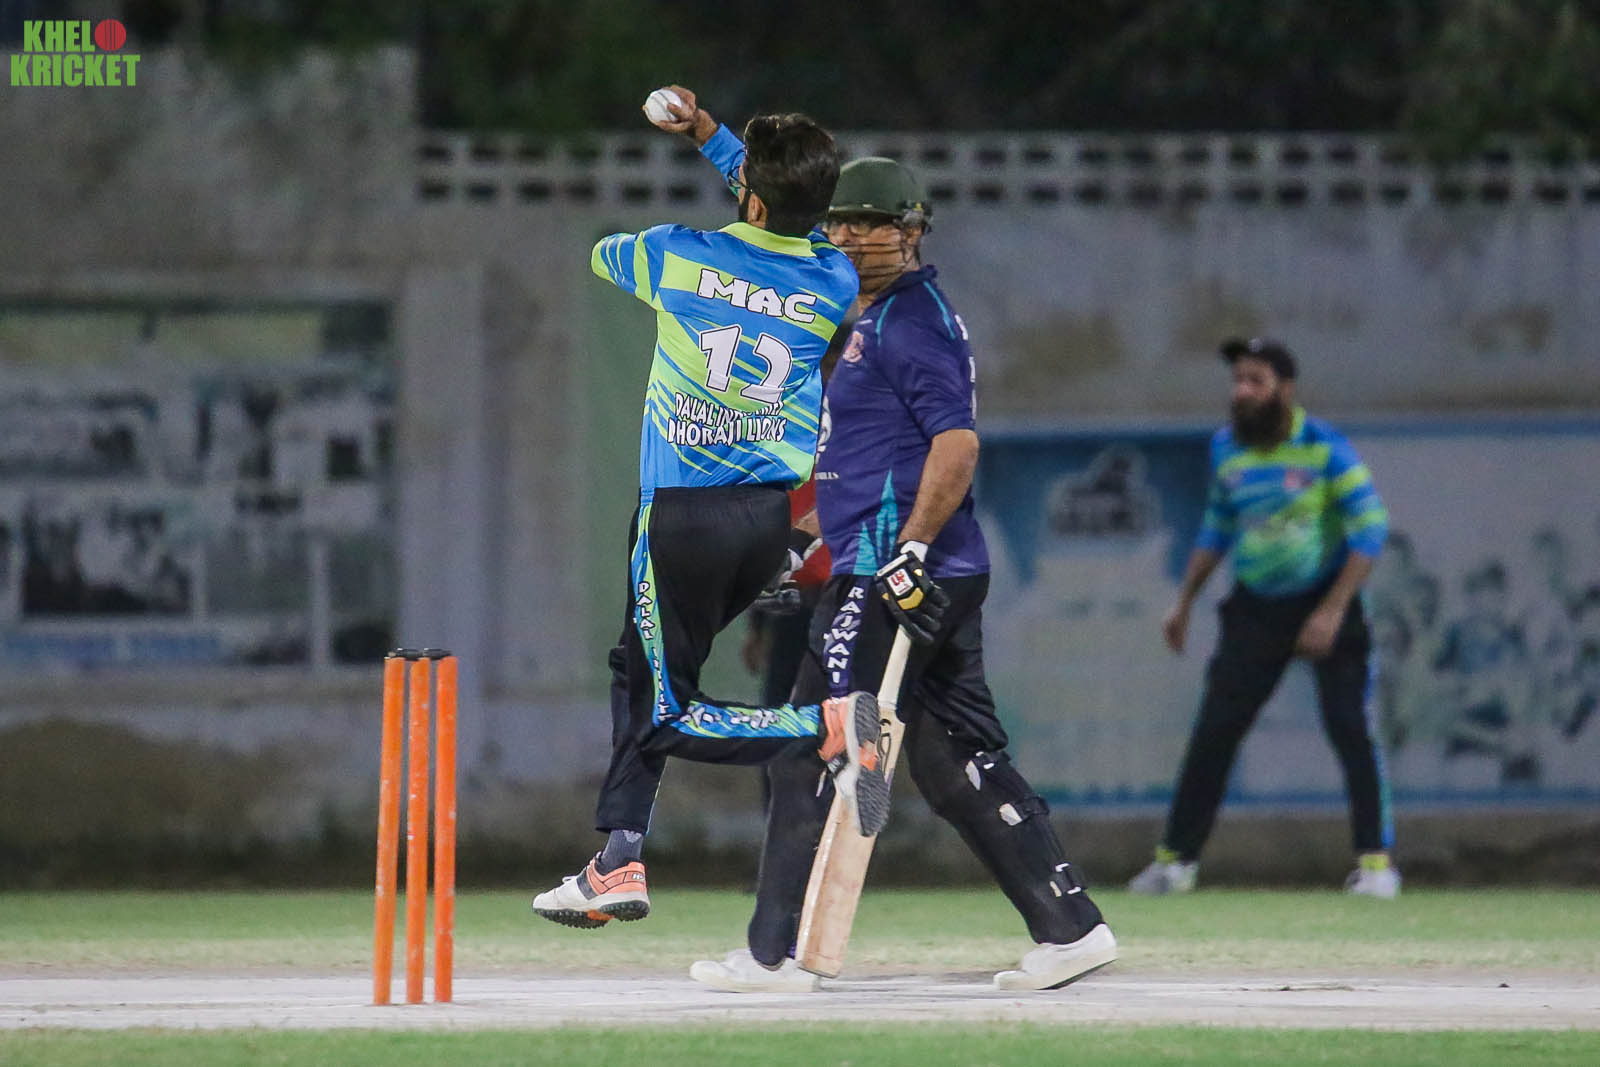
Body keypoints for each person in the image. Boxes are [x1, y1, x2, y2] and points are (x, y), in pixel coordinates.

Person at [689, 157, 1117, 993]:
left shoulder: (909, 322)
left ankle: (778, 955)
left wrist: (908, 550)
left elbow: (956, 447)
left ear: (912, 232)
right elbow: (872, 467)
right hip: (921, 566)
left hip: (891, 575)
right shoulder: (876, 320)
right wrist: (800, 539)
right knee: (955, 761)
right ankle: (1072, 929)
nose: (850, 237)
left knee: (806, 748)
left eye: (871, 223)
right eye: (839, 222)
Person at [532, 88, 885, 929]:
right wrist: (711, 136)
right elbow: (780, 212)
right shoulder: (832, 277)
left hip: (680, 520)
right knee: (641, 668)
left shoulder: (673, 255)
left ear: (750, 197)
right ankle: (618, 856)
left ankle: (830, 730)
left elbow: (601, 254)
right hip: (764, 524)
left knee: (664, 710)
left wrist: (703, 144)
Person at [1129, 337, 1399, 898]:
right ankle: (1175, 863)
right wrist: (1184, 602)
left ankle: (1376, 866)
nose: (1243, 391)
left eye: (1256, 380)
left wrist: (1331, 611)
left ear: (1285, 389)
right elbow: (1217, 527)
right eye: (1238, 380)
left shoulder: (1324, 447)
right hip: (1255, 609)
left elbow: (1371, 530)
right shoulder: (1227, 448)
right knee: (1215, 731)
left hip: (1325, 602)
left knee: (1350, 728)